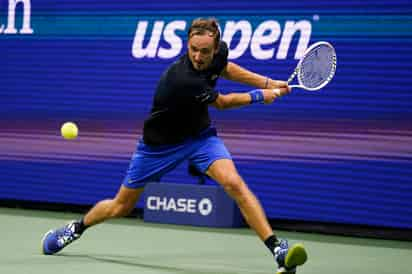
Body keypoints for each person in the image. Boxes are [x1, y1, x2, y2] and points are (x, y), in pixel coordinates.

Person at [41, 18, 307, 274]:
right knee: (120, 207)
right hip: (158, 147)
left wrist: (269, 82)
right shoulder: (182, 79)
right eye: (193, 50)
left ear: (215, 48)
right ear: (187, 46)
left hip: (199, 138)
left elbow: (225, 68)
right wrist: (262, 96)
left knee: (234, 183)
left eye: (205, 51)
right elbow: (223, 103)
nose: (199, 57)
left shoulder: (217, 54)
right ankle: (76, 228)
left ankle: (277, 249)